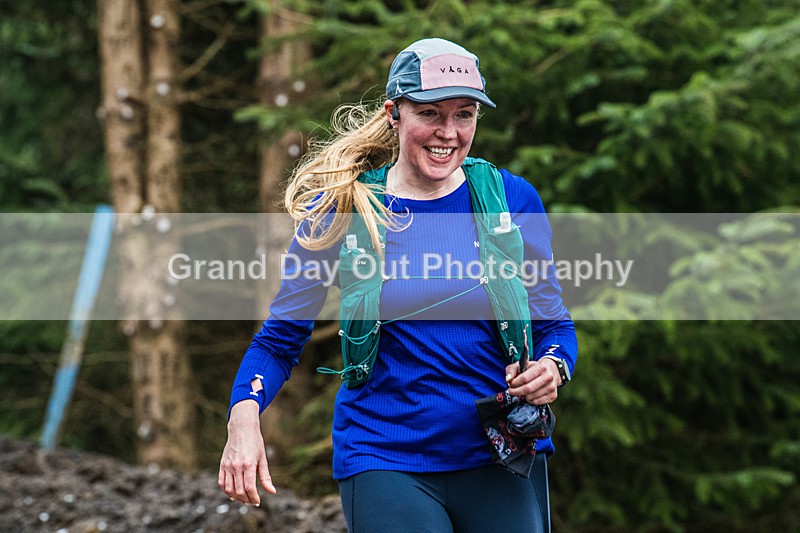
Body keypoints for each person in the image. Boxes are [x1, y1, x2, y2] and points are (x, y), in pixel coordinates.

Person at [219, 37, 577, 532]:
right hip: (384, 454)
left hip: (501, 452)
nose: (448, 133)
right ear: (394, 113)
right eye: (430, 113)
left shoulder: (509, 200)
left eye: (465, 114)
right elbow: (279, 340)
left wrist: (553, 367)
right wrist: (243, 418)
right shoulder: (346, 209)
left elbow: (555, 324)